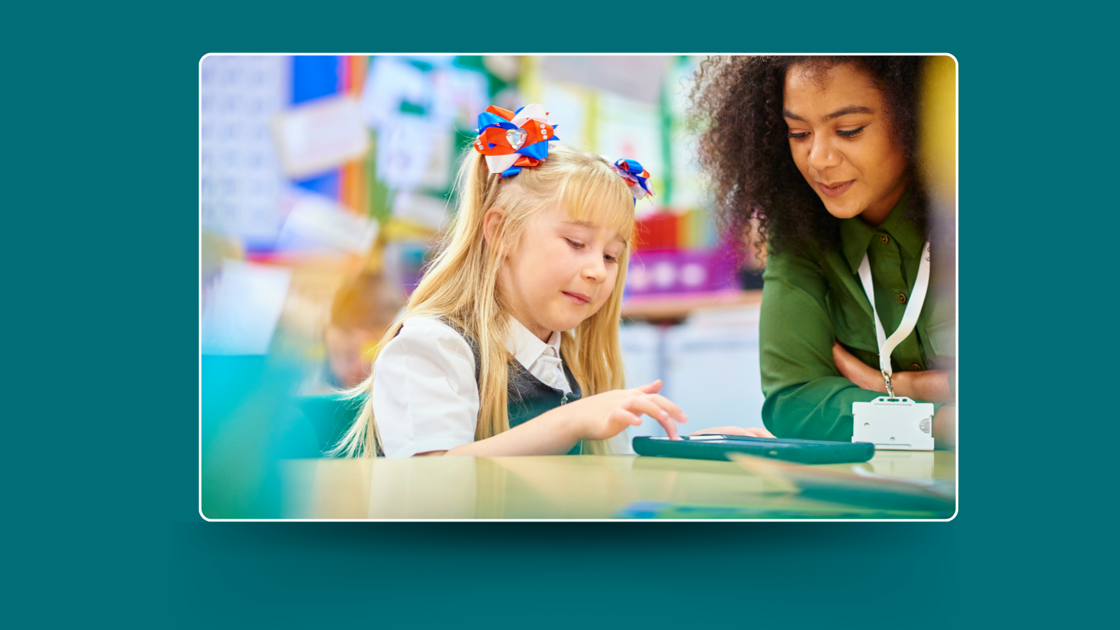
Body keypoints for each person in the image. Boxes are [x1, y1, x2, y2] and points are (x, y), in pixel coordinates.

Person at [332, 104, 687, 458]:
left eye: (610, 255)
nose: (598, 270)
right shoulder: (433, 347)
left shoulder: (577, 363)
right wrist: (568, 422)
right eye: (576, 243)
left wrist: (690, 456)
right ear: (501, 231)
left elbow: (608, 486)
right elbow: (432, 485)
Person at [690, 56, 956, 448]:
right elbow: (795, 406)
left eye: (848, 130)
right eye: (798, 132)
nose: (817, 158)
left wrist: (904, 387)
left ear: (917, 119)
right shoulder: (799, 229)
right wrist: (937, 419)